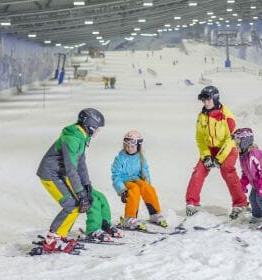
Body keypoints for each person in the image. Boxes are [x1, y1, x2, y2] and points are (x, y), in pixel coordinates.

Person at [37, 108, 104, 253]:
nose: (98, 131)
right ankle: (52, 240)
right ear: (90, 125)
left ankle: (60, 236)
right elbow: (71, 169)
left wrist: (87, 186)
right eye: (97, 128)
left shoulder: (82, 137)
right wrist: (80, 193)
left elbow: (81, 164)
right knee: (72, 205)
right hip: (50, 175)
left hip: (59, 174)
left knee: (78, 205)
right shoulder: (72, 139)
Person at [185, 86, 248, 219]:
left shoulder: (226, 116)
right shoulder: (201, 116)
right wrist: (206, 156)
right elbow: (200, 138)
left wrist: (219, 158)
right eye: (203, 100)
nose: (206, 102)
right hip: (210, 148)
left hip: (228, 148)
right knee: (199, 171)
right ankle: (192, 202)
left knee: (227, 169)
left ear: (215, 98)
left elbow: (231, 139)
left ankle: (241, 203)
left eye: (208, 99)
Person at [111, 131, 167, 230]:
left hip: (136, 179)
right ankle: (129, 217)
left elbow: (145, 171)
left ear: (138, 146)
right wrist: (122, 190)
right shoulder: (120, 158)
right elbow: (116, 176)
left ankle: (155, 214)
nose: (129, 148)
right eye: (127, 146)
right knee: (134, 189)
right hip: (125, 181)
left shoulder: (140, 157)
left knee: (148, 187)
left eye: (132, 146)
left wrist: (147, 182)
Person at [233, 128, 262, 228]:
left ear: (245, 141)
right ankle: (258, 216)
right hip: (256, 182)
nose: (236, 145)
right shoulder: (243, 155)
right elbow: (245, 171)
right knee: (252, 198)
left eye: (238, 143)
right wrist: (243, 183)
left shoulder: (255, 153)